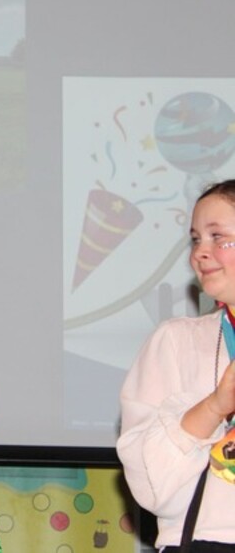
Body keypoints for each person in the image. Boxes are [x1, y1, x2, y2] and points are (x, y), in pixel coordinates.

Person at [118, 180, 235, 552]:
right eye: (196, 240)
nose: (200, 253)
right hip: (207, 540)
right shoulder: (176, 342)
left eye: (218, 237)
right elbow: (153, 488)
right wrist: (215, 406)